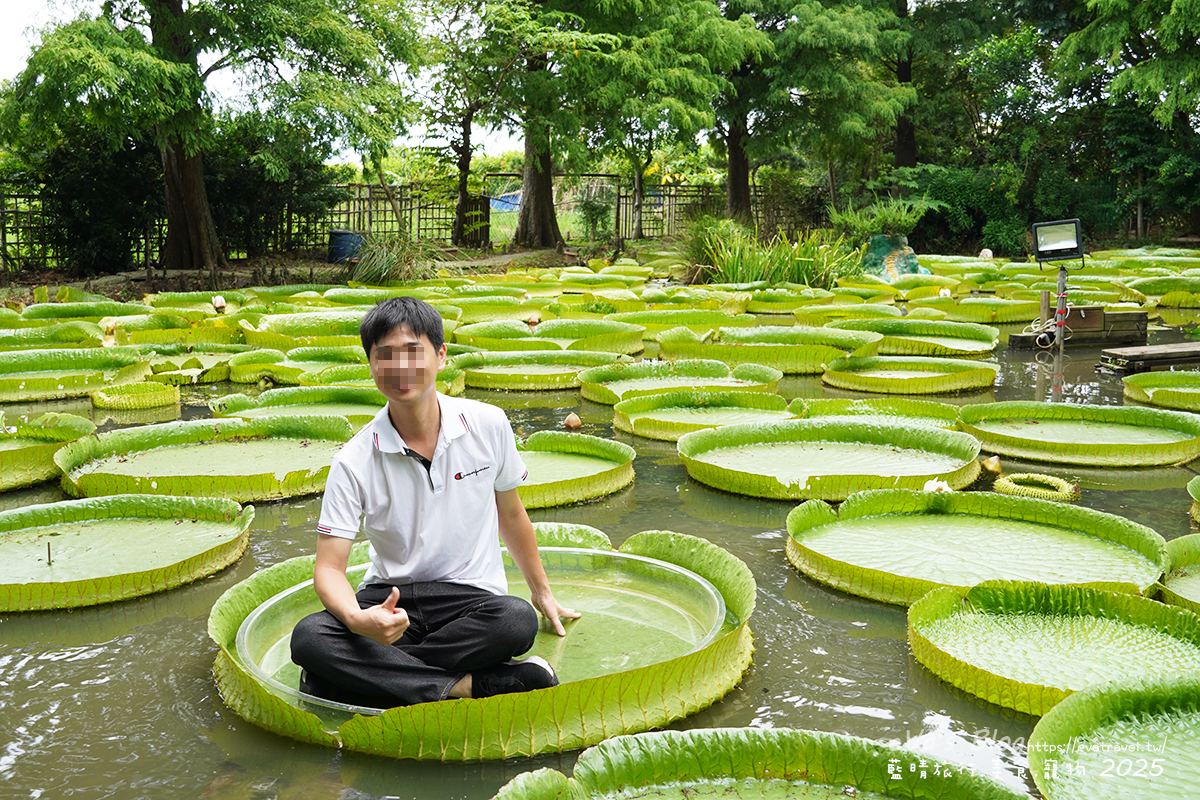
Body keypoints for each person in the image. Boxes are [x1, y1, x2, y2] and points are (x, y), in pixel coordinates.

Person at [290, 297, 580, 707]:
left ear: (441, 356)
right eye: (384, 355)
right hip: (390, 599)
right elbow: (329, 568)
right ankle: (468, 686)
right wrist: (358, 619)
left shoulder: (488, 424)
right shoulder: (352, 460)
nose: (399, 368)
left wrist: (542, 592)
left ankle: (354, 681)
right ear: (371, 365)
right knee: (309, 637)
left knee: (516, 621)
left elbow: (511, 514)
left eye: (412, 352)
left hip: (470, 599)